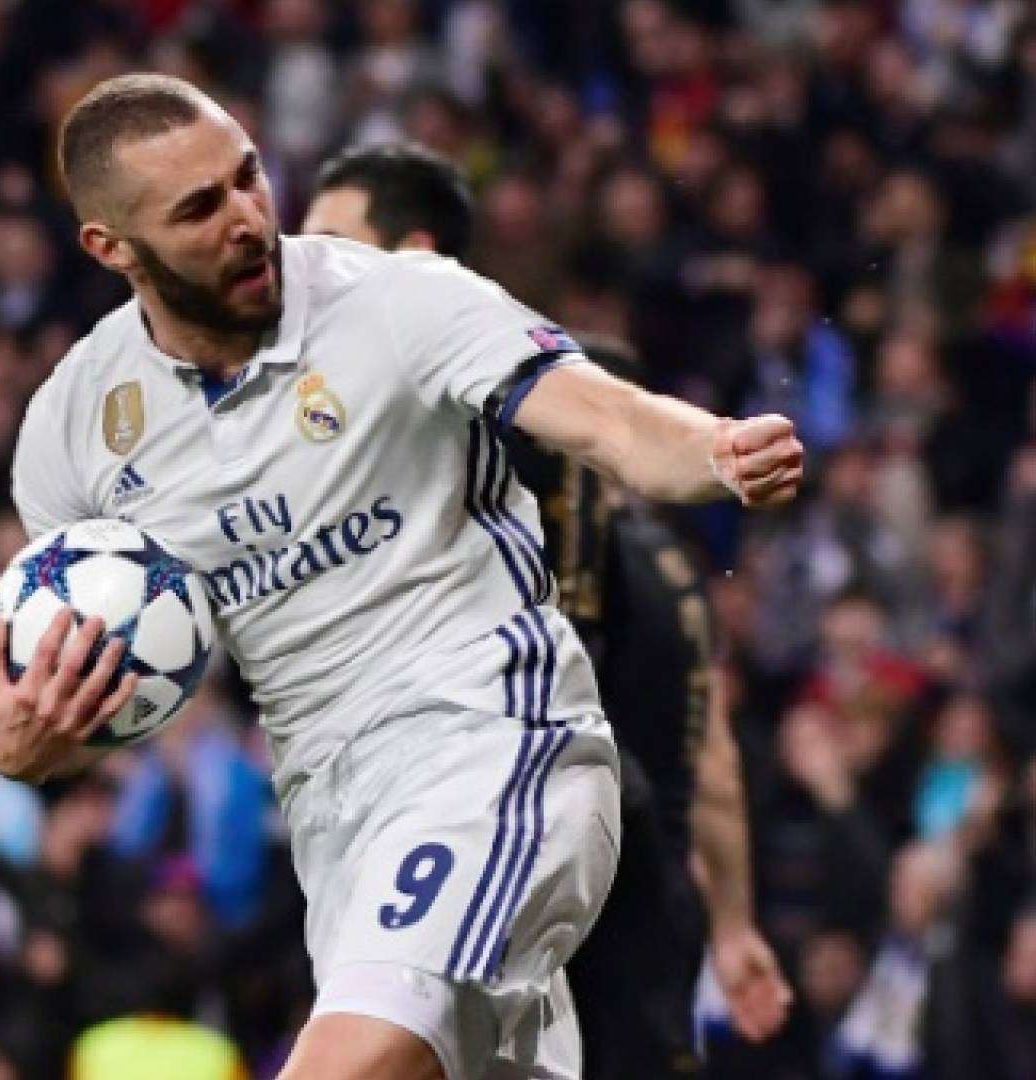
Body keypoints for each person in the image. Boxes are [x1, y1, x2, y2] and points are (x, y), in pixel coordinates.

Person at [0, 74, 804, 1080]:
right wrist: (29, 746)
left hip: (490, 741)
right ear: (111, 247)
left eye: (247, 177)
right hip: (332, 820)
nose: (246, 219)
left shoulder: (397, 301)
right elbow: (79, 678)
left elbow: (611, 421)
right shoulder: (74, 430)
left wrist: (717, 450)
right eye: (199, 209)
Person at [303, 139, 792, 1078]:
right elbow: (712, 760)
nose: (305, 263)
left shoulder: (472, 467)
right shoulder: (664, 577)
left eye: (330, 238)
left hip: (543, 856)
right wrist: (734, 926)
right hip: (604, 873)